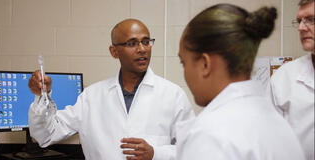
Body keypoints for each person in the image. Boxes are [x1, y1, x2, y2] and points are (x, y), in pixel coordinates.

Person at [28, 19, 194, 160]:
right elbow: (45, 136)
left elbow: (194, 150)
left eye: (146, 41)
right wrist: (41, 96)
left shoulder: (173, 95)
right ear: (114, 52)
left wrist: (156, 153)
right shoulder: (92, 97)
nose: (142, 49)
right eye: (132, 43)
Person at [176, 4, 306, 160]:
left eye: (184, 63)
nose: (184, 72)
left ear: (205, 64)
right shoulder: (280, 125)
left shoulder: (210, 134)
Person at [268, 0, 314, 159]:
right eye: (300, 21)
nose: (301, 27)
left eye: (311, 20)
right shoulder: (284, 78)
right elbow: (271, 142)